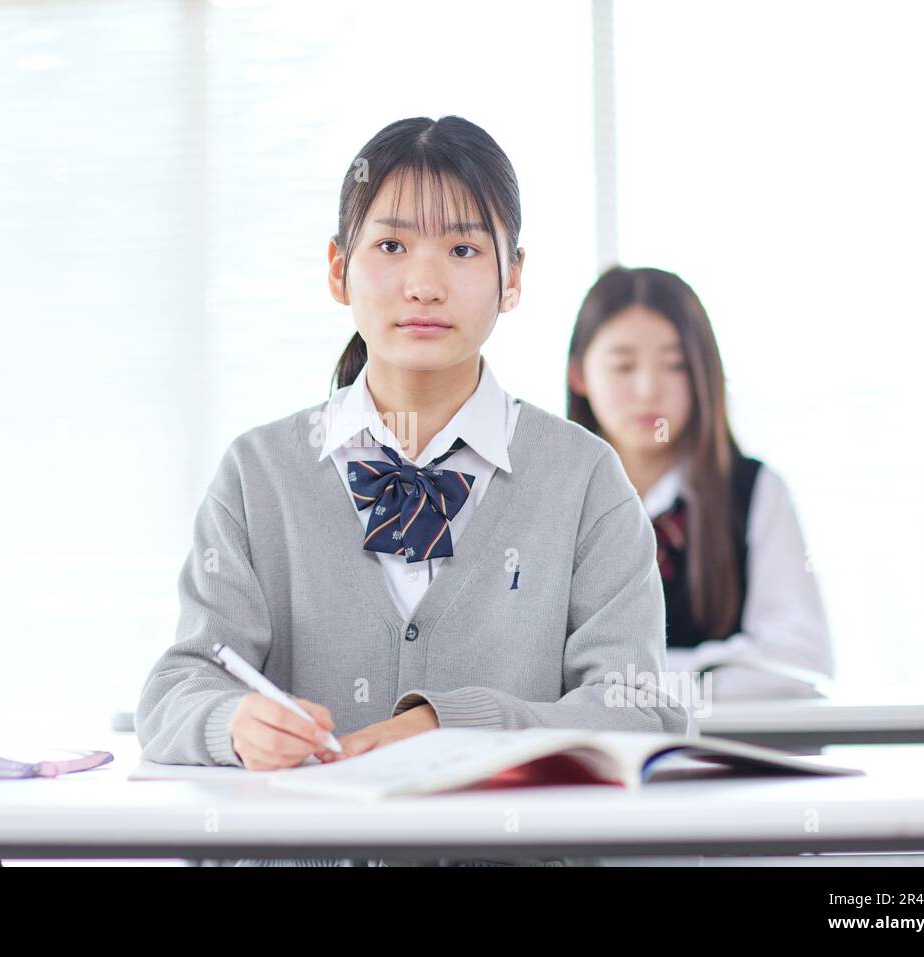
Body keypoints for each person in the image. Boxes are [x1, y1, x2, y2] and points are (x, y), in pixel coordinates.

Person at [136, 117, 689, 866]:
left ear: (513, 276)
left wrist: (451, 726)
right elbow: (177, 685)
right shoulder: (258, 472)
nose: (424, 284)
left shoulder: (586, 480)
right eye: (390, 246)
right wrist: (233, 721)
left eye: (463, 249)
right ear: (338, 269)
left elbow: (641, 712)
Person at [566, 265, 834, 701]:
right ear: (580, 375)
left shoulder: (754, 491)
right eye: (623, 366)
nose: (648, 389)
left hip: (730, 754)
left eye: (675, 366)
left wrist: (628, 683)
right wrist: (715, 668)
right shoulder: (549, 492)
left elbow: (799, 662)